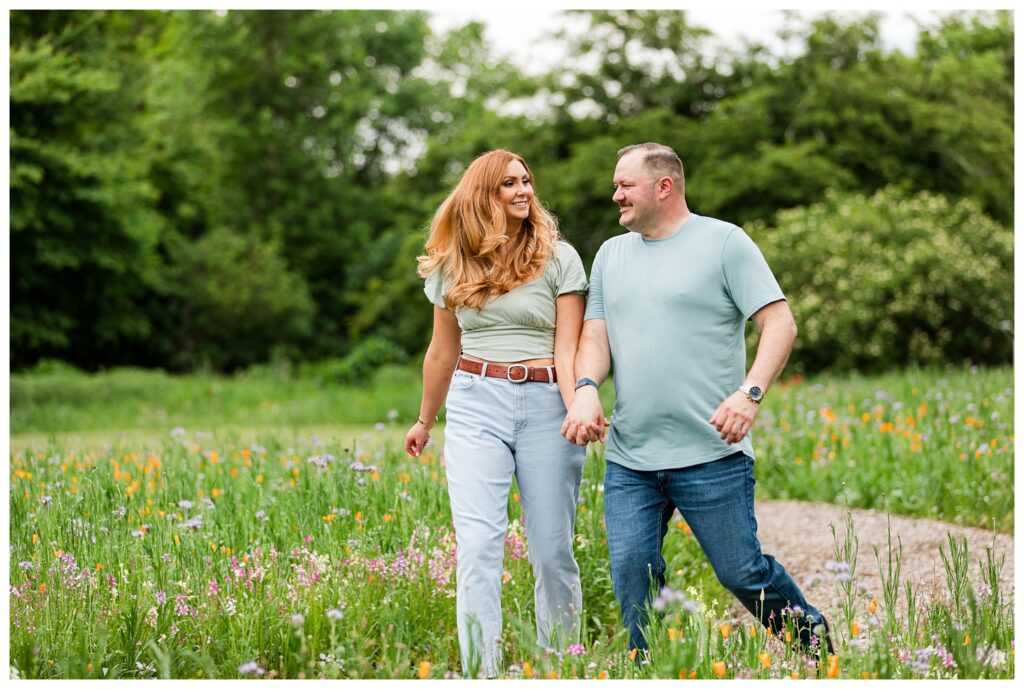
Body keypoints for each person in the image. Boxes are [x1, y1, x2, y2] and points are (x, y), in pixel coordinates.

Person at [561, 142, 832, 656]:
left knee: (742, 572)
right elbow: (595, 336)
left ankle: (820, 650)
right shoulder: (610, 254)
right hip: (631, 456)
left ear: (664, 187)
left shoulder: (724, 243)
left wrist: (748, 395)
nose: (614, 194)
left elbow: (780, 322)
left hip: (711, 453)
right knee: (630, 577)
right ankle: (649, 669)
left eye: (625, 185)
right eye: (615, 185)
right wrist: (586, 389)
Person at [405, 150, 589, 677]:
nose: (523, 190)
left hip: (547, 402)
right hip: (474, 402)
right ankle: (480, 672)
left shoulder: (560, 258)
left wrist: (578, 405)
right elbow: (442, 350)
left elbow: (568, 349)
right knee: (479, 545)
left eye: (527, 181)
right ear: (484, 193)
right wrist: (424, 419)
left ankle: (561, 669)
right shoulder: (452, 263)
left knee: (552, 550)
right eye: (509, 183)